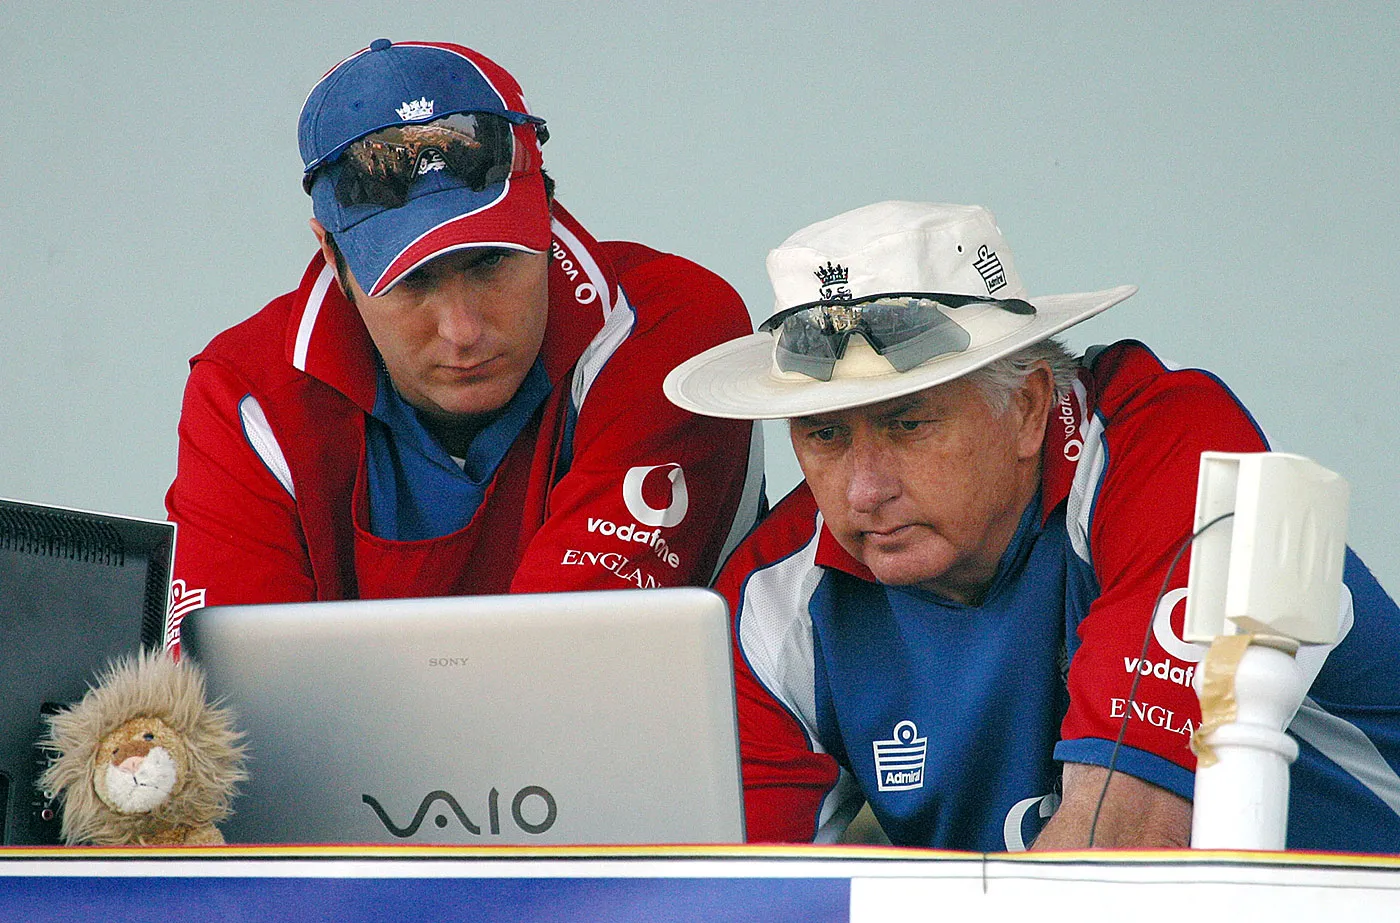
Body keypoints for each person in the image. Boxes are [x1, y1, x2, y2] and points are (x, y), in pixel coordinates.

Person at [663, 200, 1400, 852]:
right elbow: (725, 894)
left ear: (1026, 408)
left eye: (908, 424)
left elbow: (1123, 846)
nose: (863, 489)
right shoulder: (773, 597)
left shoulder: (1174, 452)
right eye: (824, 435)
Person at [164, 39, 764, 631]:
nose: (462, 331)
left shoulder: (668, 326)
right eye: (412, 280)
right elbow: (222, 685)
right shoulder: (247, 395)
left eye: (490, 262)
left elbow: (568, 658)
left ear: (547, 212)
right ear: (332, 255)